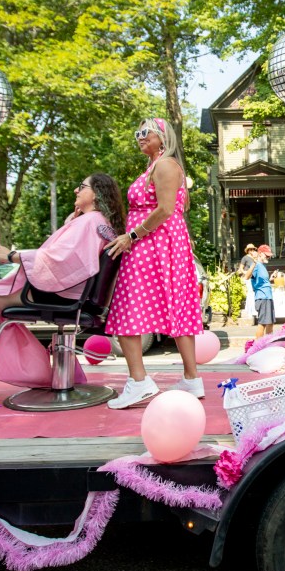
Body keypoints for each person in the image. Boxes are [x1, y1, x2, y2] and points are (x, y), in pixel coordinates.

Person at [0, 173, 126, 390]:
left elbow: (61, 259)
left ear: (96, 194)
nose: (76, 190)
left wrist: (11, 256)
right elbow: (71, 256)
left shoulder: (89, 221)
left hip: (62, 295)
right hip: (78, 296)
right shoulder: (102, 224)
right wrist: (71, 223)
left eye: (81, 187)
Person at [105, 118, 204, 409]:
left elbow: (165, 209)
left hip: (151, 245)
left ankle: (139, 382)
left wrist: (131, 236)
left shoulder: (165, 165)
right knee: (177, 305)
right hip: (159, 244)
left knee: (127, 307)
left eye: (144, 132)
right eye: (137, 133)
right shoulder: (156, 166)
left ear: (162, 136)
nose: (139, 137)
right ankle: (191, 378)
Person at [251, 244, 275, 338]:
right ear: (260, 253)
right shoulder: (256, 265)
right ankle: (258, 347)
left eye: (269, 255)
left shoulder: (262, 266)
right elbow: (250, 277)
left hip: (267, 297)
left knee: (270, 323)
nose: (269, 257)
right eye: (266, 255)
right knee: (263, 324)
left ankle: (268, 345)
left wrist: (270, 278)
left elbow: (261, 282)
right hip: (262, 297)